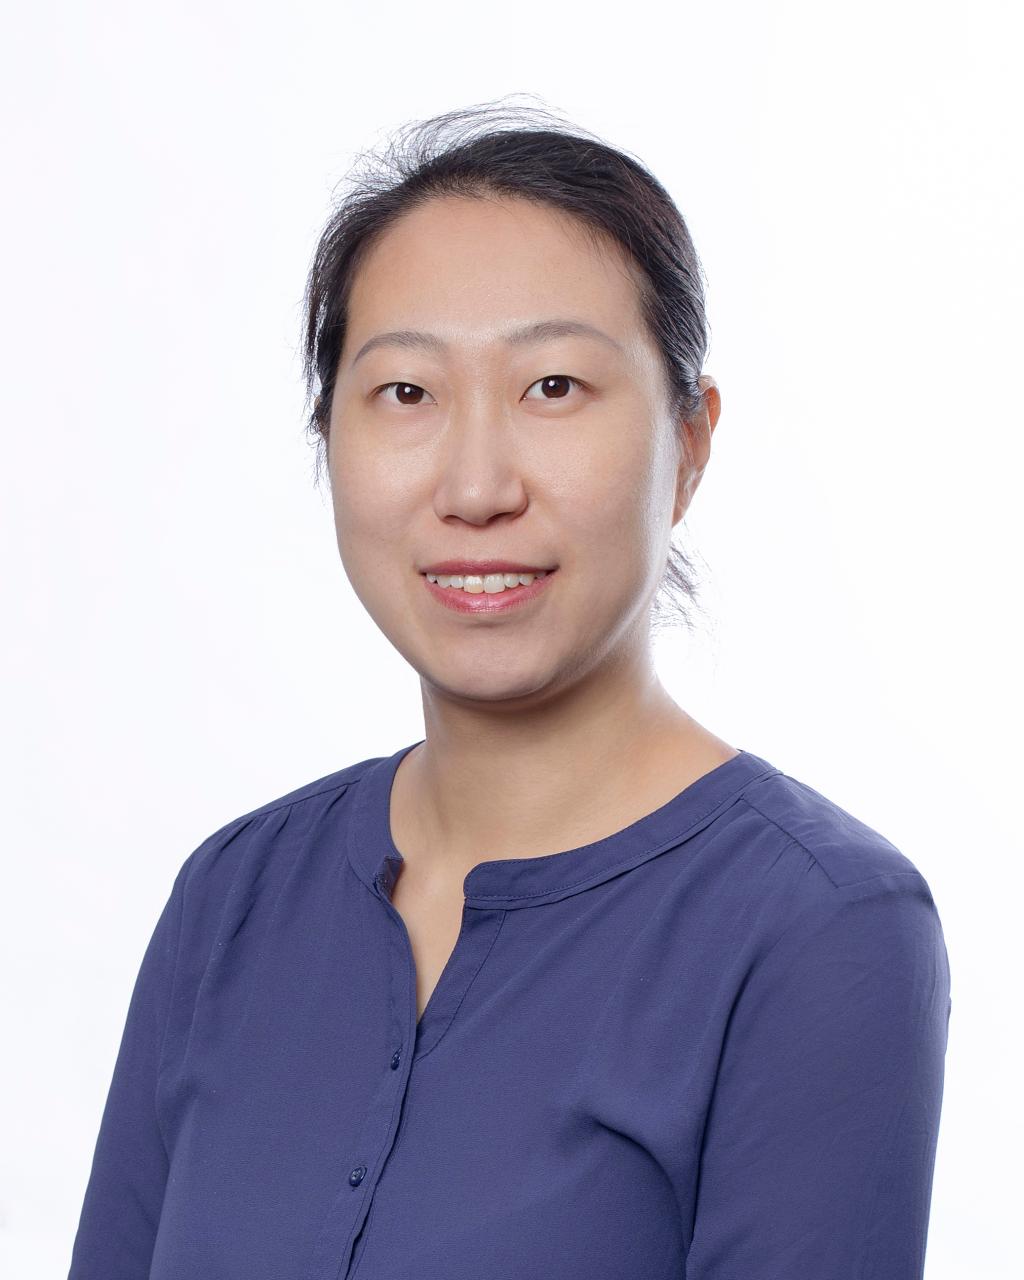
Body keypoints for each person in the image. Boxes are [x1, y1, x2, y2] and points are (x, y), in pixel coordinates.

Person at [67, 99, 952, 1280]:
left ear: (690, 443)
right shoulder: (231, 899)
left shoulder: (817, 928)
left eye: (553, 386)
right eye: (406, 393)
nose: (476, 486)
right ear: (328, 437)